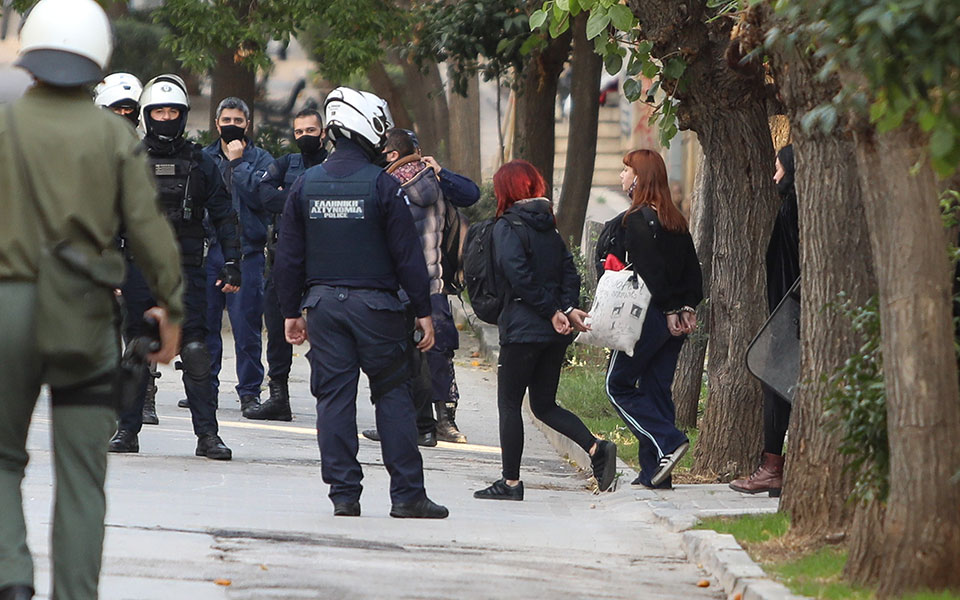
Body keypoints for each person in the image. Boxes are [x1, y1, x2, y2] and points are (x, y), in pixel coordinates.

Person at [0, 1, 183, 597]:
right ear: (98, 61)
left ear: (30, 56)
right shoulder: (113, 136)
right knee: (82, 475)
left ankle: (12, 578)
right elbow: (150, 230)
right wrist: (172, 309)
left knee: (2, 459)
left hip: (8, 313)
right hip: (82, 315)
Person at [273, 87, 448, 519]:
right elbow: (408, 257)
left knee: (333, 398)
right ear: (366, 127)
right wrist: (424, 312)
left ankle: (344, 495)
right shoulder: (383, 185)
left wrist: (291, 312)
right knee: (392, 395)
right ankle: (407, 495)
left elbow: (288, 257)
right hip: (378, 310)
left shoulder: (305, 185)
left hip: (324, 308)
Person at [108, 74, 239, 461]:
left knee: (196, 350)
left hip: (188, 271)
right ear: (148, 115)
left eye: (173, 111)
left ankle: (208, 436)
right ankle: (127, 430)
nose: (166, 117)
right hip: (138, 269)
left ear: (183, 115)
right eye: (159, 111)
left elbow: (224, 215)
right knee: (137, 349)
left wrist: (232, 262)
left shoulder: (200, 162)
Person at [473, 160, 617, 501]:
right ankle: (596, 448)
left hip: (524, 330)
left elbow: (517, 274)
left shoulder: (508, 227)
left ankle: (510, 483)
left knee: (509, 403)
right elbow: (570, 272)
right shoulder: (548, 228)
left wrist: (554, 310)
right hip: (554, 333)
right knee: (543, 404)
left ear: (506, 189)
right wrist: (564, 309)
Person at [361, 128, 478, 444]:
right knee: (436, 354)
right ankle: (441, 422)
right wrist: (442, 172)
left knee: (396, 357)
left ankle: (400, 423)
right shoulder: (435, 181)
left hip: (395, 286)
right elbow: (472, 195)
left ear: (393, 155)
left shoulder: (385, 185)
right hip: (433, 283)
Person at [603, 149, 703, 490]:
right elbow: (693, 272)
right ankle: (655, 474)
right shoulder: (675, 220)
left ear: (640, 178)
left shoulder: (637, 220)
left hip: (644, 318)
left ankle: (667, 441)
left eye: (626, 171)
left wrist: (672, 308)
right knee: (657, 388)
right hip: (674, 322)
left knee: (616, 385)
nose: (621, 177)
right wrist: (686, 308)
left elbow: (649, 272)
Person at [250, 108, 329, 421]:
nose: (305, 137)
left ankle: (328, 395)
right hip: (284, 260)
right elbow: (264, 195)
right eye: (299, 132)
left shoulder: (332, 165)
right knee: (277, 326)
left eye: (310, 130)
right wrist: (305, 202)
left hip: (324, 261)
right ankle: (278, 396)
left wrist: (291, 196)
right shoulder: (286, 163)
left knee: (325, 331)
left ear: (323, 133)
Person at [730, 145, 799, 497]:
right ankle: (773, 467)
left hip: (794, 314)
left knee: (775, 383)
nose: (775, 177)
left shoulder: (795, 207)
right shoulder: (793, 206)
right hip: (789, 311)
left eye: (778, 169)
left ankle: (772, 468)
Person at [203, 97, 275, 417]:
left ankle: (249, 392)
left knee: (246, 328)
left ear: (248, 124)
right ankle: (203, 388)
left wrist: (237, 164)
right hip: (210, 252)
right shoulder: (203, 158)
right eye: (226, 120)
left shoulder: (261, 160)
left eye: (238, 120)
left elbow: (261, 198)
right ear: (217, 124)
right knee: (205, 326)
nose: (232, 126)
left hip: (248, 253)